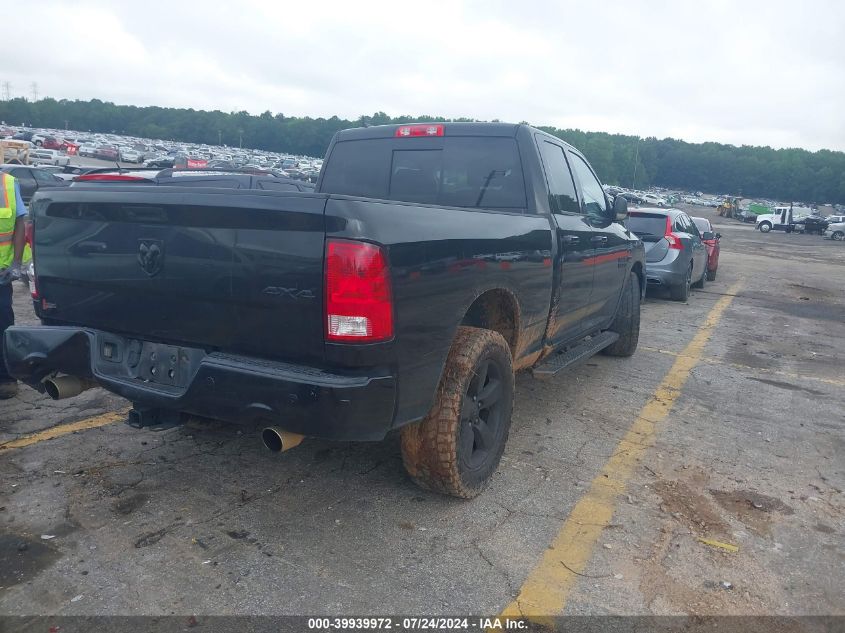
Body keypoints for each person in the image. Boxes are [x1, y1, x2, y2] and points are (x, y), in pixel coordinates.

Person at [0, 171, 28, 399]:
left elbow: (20, 222)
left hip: (1, 273)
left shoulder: (8, 183)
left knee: (3, 323)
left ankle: (6, 377)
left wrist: (17, 263)